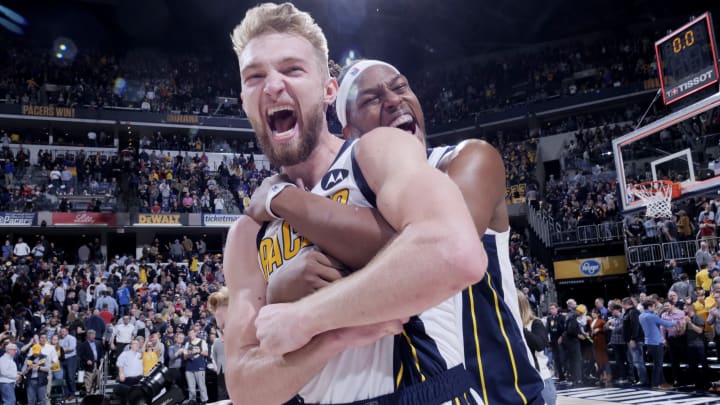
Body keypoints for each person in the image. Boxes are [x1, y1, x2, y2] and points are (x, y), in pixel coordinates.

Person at [224, 3, 486, 404]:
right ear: (244, 100)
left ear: (329, 90)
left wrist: (305, 315)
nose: (273, 86)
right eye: (255, 76)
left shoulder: (377, 152)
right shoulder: (246, 232)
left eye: (292, 69)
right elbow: (244, 388)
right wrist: (334, 337)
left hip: (423, 391)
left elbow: (456, 252)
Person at [247, 57, 544, 403]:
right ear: (352, 138)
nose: (392, 100)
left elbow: (434, 253)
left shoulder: (468, 159)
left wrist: (280, 198)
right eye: (371, 99)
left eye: (401, 87)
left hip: (505, 390)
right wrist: (283, 286)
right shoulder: (354, 201)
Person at [517, 291, 555, 405]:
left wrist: (519, 328)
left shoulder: (535, 323)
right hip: (519, 382)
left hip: (540, 379)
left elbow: (539, 344)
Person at [639, 300, 678, 390]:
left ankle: (662, 382)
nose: (654, 308)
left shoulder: (641, 315)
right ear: (649, 307)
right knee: (658, 364)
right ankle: (656, 384)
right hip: (656, 342)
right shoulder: (652, 316)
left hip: (649, 342)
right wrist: (676, 322)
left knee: (657, 363)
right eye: (653, 306)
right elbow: (666, 324)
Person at [208, 288, 228, 401]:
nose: (223, 338)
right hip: (221, 368)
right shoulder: (217, 342)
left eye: (227, 325)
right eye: (221, 329)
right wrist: (216, 367)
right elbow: (213, 356)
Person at [183, 329, 209, 404]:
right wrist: (188, 354)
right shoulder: (187, 343)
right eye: (189, 334)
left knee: (201, 385)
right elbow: (184, 357)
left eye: (191, 333)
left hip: (199, 366)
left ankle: (204, 401)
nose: (190, 335)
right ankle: (192, 400)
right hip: (189, 367)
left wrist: (198, 351)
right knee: (191, 387)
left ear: (195, 333)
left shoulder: (202, 341)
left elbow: (206, 353)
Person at [78, 329, 104, 395]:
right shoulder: (84, 344)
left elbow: (101, 352)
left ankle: (93, 391)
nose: (93, 336)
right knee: (89, 379)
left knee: (96, 379)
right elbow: (81, 354)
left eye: (94, 335)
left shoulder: (98, 343)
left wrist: (101, 357)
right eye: (91, 335)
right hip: (89, 365)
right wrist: (87, 360)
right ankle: (88, 392)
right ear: (88, 336)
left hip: (97, 364)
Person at [59, 328, 77, 398]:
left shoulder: (71, 338)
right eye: (61, 332)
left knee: (70, 376)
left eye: (63, 331)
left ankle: (72, 393)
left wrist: (61, 352)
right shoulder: (59, 339)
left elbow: (71, 348)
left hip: (71, 358)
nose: (62, 333)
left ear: (67, 332)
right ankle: (66, 393)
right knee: (63, 377)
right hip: (62, 359)